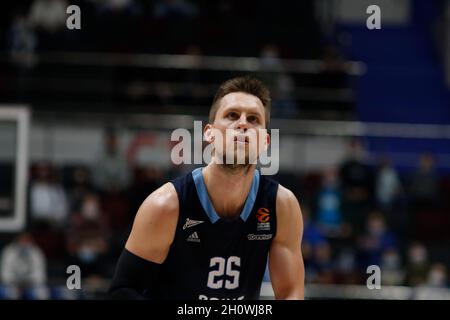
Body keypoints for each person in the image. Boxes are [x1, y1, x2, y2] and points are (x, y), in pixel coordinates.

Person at [109, 76, 305, 300]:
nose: (242, 124)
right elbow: (122, 291)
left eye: (253, 119)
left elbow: (291, 291)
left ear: (265, 142)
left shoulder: (281, 205)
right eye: (232, 115)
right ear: (209, 133)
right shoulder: (166, 205)